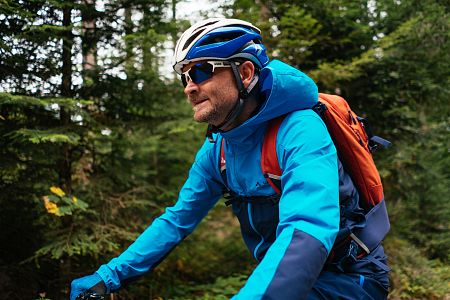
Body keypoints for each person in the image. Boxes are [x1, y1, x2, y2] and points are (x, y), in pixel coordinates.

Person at [70, 18, 390, 299]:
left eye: (201, 70)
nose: (190, 87)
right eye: (185, 77)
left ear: (245, 72)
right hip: (289, 280)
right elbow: (177, 219)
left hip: (350, 278)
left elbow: (307, 228)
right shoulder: (218, 149)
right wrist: (107, 276)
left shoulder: (300, 129)